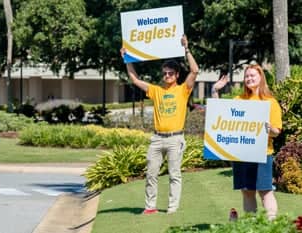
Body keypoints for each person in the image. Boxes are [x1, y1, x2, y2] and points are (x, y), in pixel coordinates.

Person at [120, 35, 199, 214]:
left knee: (174, 175)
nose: (167, 76)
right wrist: (126, 59)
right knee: (151, 174)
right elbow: (135, 80)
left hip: (175, 138)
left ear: (177, 75)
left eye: (170, 73)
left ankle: (172, 208)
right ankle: (150, 207)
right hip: (157, 139)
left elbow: (195, 70)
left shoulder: (183, 90)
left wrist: (186, 48)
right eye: (164, 73)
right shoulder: (156, 90)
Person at [211, 64, 282, 220]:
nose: (249, 78)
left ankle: (272, 226)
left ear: (260, 78)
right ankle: (251, 226)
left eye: (252, 75)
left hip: (263, 154)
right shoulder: (239, 100)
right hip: (242, 155)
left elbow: (276, 132)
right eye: (246, 76)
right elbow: (219, 113)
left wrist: (268, 129)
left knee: (265, 192)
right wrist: (215, 90)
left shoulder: (270, 102)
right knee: (247, 192)